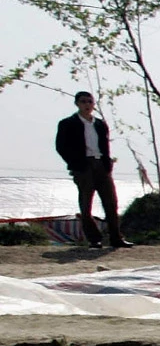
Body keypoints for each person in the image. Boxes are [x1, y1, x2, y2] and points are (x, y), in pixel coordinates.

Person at [54, 91, 133, 249]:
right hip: (83, 166)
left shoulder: (99, 124)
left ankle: (116, 238)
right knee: (86, 204)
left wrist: (107, 164)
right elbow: (60, 146)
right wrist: (75, 163)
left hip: (101, 165)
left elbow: (105, 146)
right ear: (77, 103)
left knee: (111, 202)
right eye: (83, 102)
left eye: (90, 102)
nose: (87, 105)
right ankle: (94, 239)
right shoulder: (68, 123)